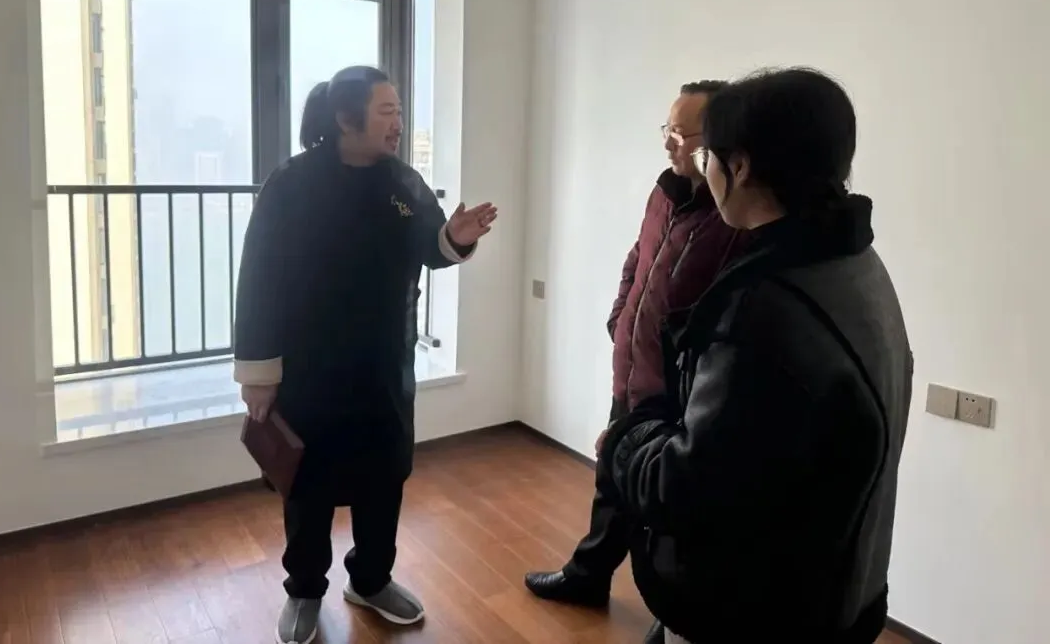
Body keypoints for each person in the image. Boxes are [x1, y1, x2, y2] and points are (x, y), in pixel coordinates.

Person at [599, 68, 913, 644]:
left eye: (708, 155)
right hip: (833, 589)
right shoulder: (858, 268)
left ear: (738, 166)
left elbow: (684, 487)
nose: (700, 168)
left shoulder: (763, 308)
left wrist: (624, 440)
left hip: (756, 609)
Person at [233, 66, 497, 644]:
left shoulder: (404, 182)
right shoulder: (291, 184)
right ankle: (305, 591)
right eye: (386, 112)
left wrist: (456, 237)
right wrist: (258, 373)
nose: (398, 122)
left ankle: (371, 581)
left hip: (384, 367)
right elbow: (257, 279)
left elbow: (431, 248)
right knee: (309, 487)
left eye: (399, 111)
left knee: (384, 479)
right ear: (345, 118)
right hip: (309, 371)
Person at [525, 82, 745, 644]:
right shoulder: (665, 192)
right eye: (667, 129)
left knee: (668, 503)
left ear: (717, 141)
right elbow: (637, 258)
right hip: (632, 369)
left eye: (682, 133)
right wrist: (620, 313)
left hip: (678, 389)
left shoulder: (732, 218)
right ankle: (587, 576)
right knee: (613, 479)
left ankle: (671, 616)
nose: (669, 143)